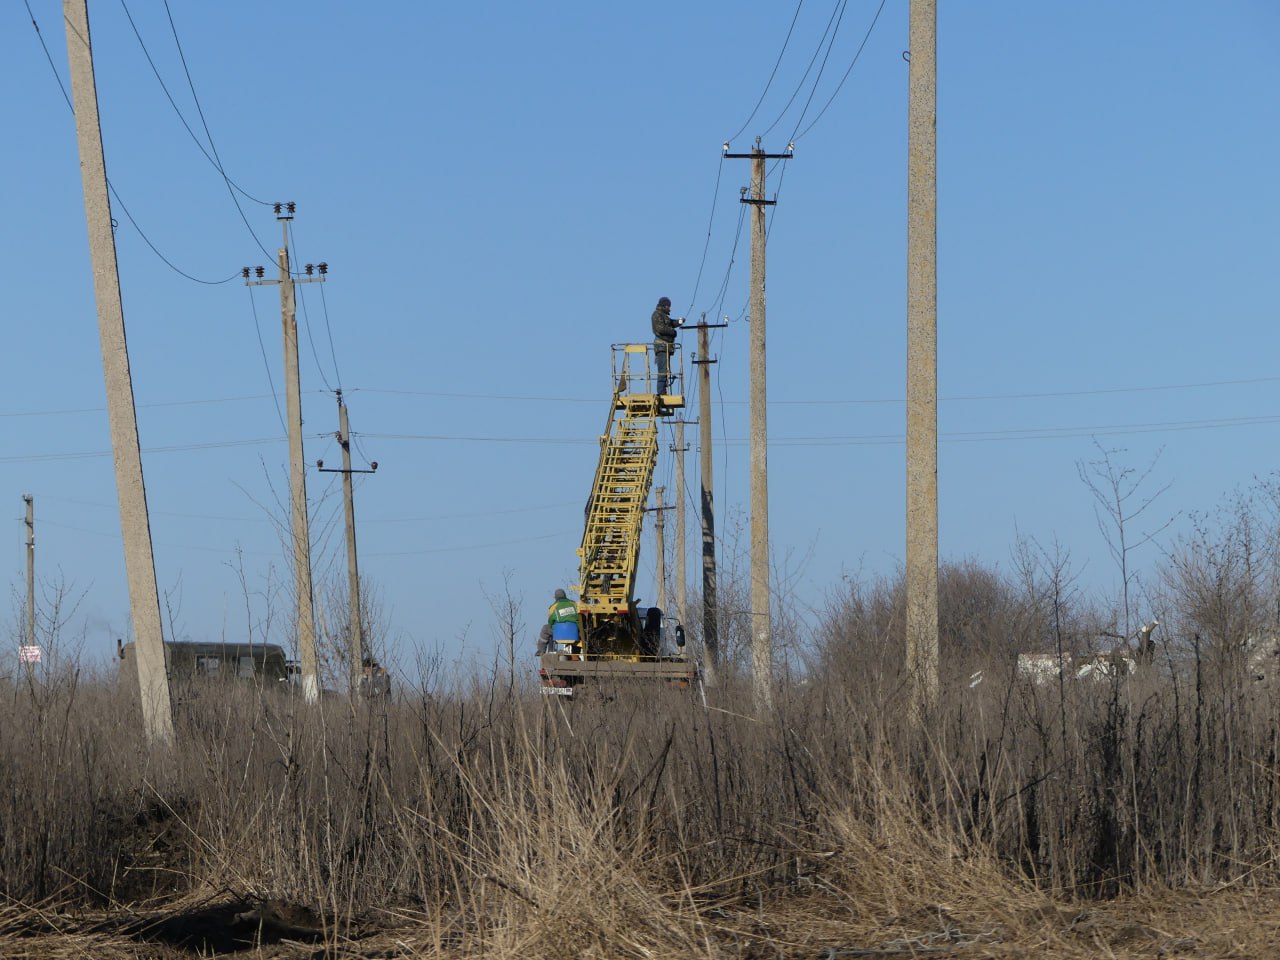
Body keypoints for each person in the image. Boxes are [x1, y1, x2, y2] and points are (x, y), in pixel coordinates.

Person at [651, 296, 683, 397]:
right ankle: (661, 392)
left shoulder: (663, 315)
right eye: (669, 306)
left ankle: (663, 390)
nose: (670, 308)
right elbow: (661, 329)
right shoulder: (657, 315)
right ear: (664, 306)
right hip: (661, 346)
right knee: (663, 370)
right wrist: (673, 332)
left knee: (665, 370)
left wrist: (678, 322)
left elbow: (669, 323)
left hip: (665, 347)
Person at [547, 588, 580, 653]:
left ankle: (542, 651)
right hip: (574, 632)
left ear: (555, 597)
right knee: (581, 634)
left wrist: (552, 627)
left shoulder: (553, 607)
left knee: (545, 629)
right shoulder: (574, 604)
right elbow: (579, 617)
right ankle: (575, 655)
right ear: (565, 595)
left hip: (559, 633)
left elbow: (550, 621)